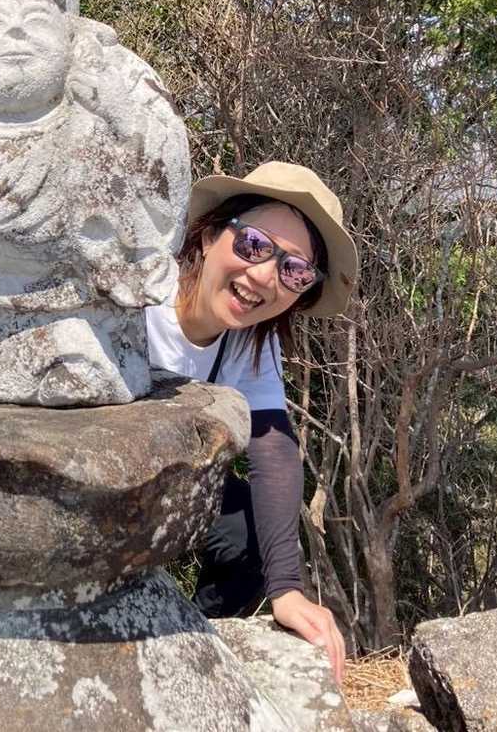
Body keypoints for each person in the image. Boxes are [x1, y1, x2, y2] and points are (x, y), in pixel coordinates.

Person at [146, 160, 358, 684]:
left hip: (163, 481)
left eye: (294, 270)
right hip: (83, 470)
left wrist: (286, 588)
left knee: (252, 536)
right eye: (254, 244)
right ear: (209, 237)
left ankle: (193, 653)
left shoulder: (250, 343)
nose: (263, 276)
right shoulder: (137, 295)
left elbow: (273, 452)